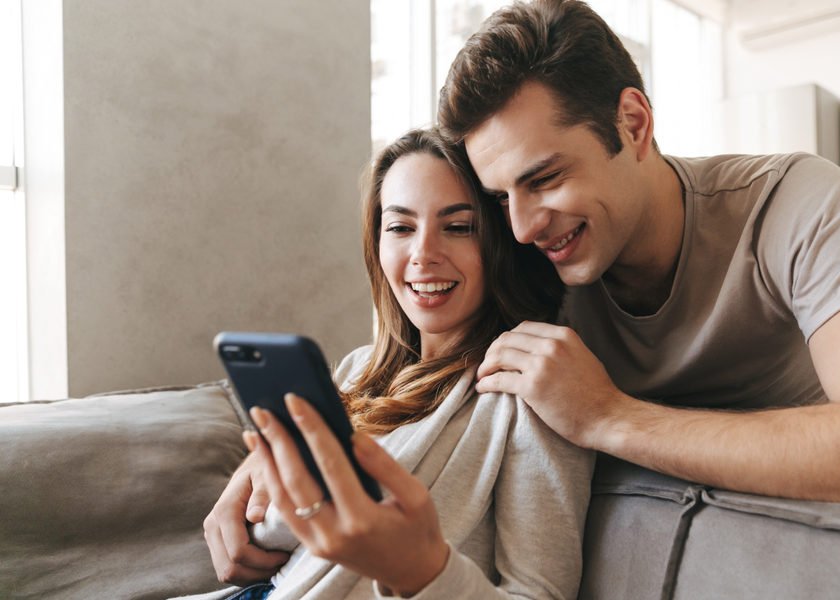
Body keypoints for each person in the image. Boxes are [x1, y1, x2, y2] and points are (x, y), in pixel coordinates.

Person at [436, 0, 840, 518]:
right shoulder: (522, 261)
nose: (523, 226)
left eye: (546, 178)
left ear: (633, 125)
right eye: (501, 197)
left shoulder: (788, 202)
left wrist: (610, 416)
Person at [192, 128, 593, 599]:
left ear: (502, 242)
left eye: (459, 227)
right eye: (401, 227)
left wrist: (420, 571)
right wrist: (260, 475)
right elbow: (272, 533)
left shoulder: (530, 390)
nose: (423, 254)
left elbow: (539, 594)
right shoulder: (355, 371)